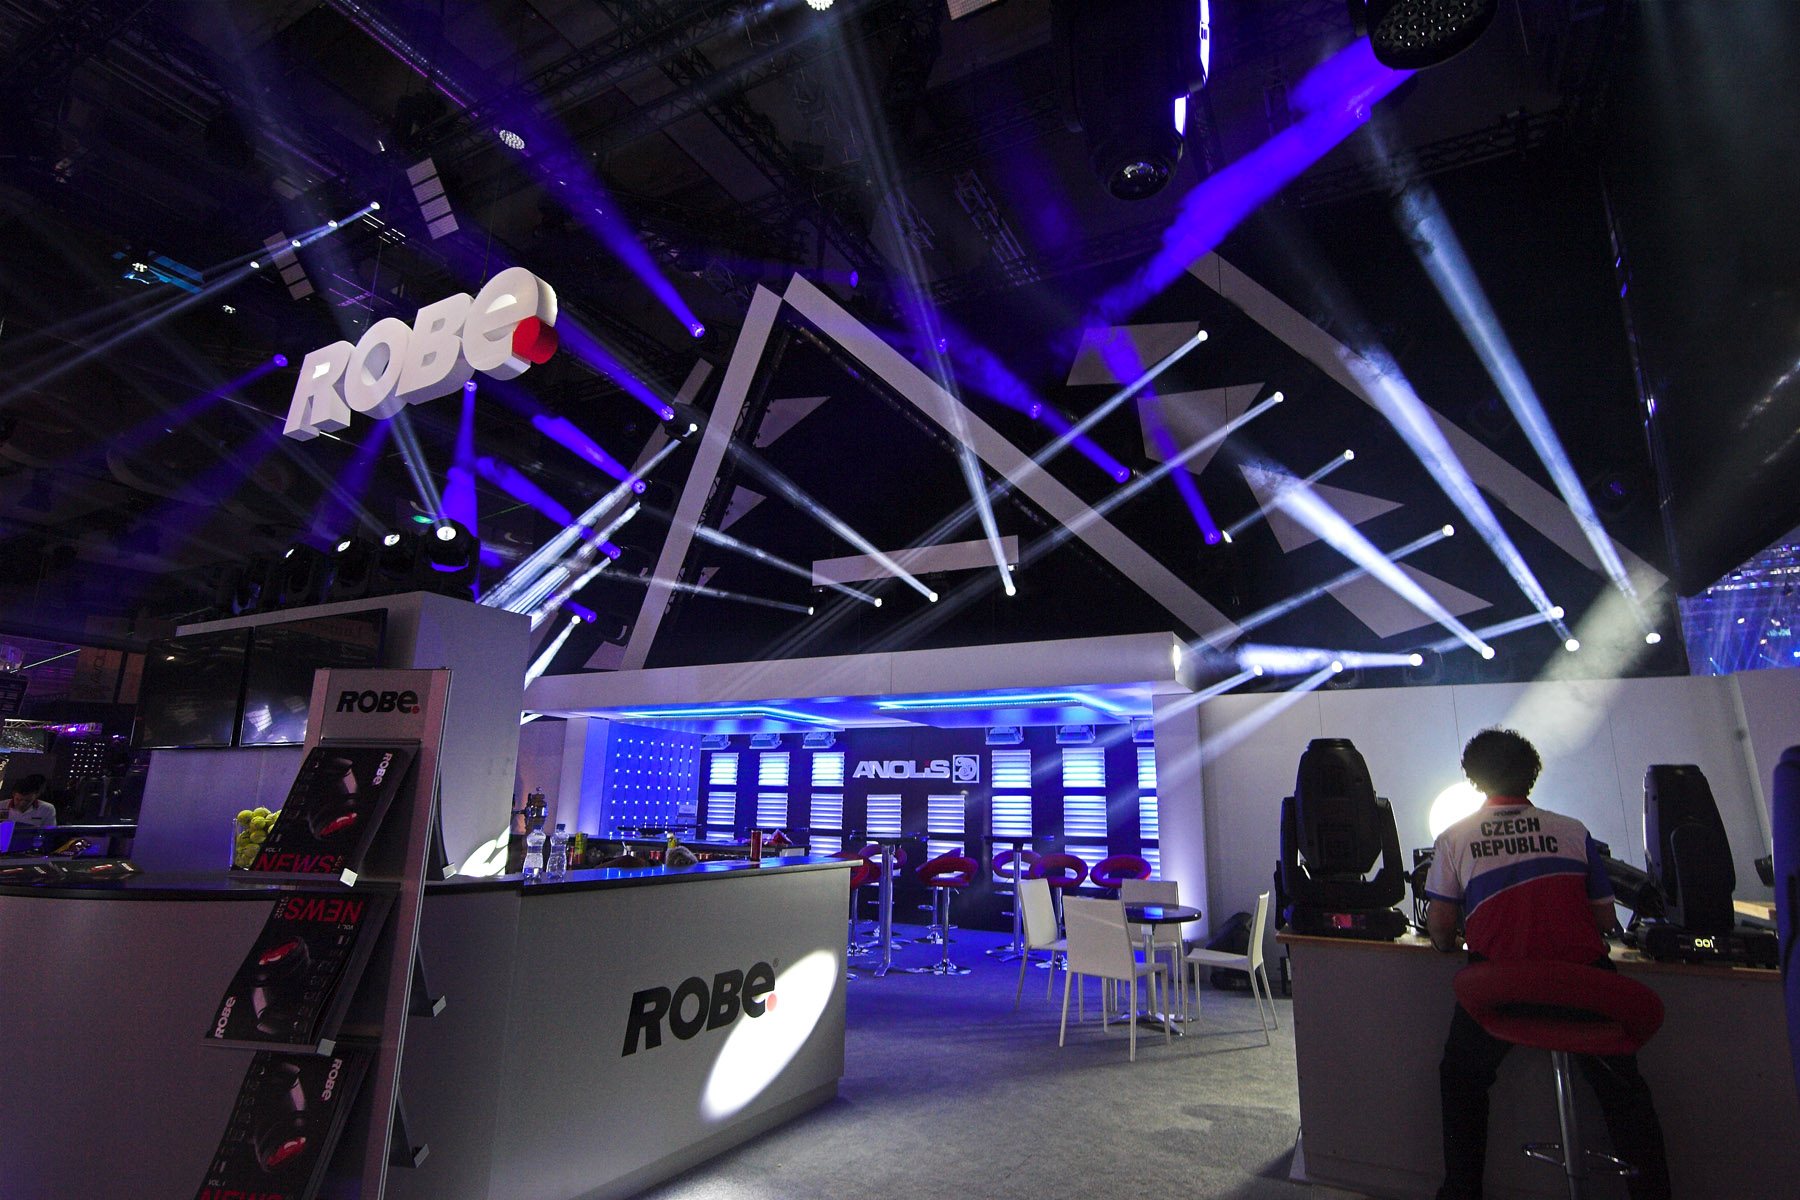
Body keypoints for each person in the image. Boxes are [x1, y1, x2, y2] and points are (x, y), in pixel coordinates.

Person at [1424, 728, 1671, 1200]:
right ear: (1531, 773)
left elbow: (1439, 930)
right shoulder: (1573, 830)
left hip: (1503, 989)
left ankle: (1460, 1193)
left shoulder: (1454, 838)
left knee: (1461, 1079)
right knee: (1625, 1093)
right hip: (1583, 988)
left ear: (1474, 778)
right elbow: (1605, 920)